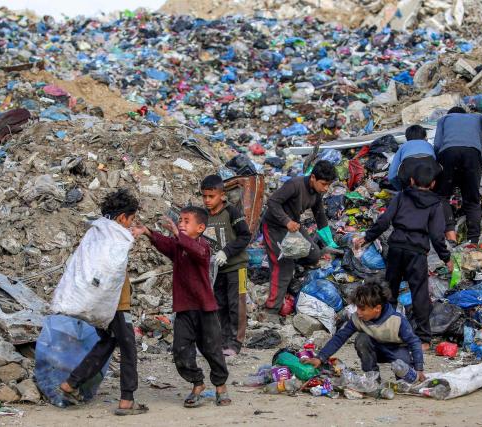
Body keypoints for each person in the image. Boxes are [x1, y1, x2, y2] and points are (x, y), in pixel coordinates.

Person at [59, 189, 148, 416]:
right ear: (121, 218)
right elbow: (111, 266)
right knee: (128, 346)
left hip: (104, 303)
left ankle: (71, 383)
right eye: (131, 220)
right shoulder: (114, 235)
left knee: (107, 343)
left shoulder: (98, 231)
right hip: (116, 304)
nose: (131, 225)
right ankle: (127, 399)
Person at [132, 207, 231, 408]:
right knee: (180, 350)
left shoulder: (204, 247)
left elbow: (195, 251)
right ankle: (197, 383)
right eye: (180, 221)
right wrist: (148, 232)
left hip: (205, 308)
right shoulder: (178, 246)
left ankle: (220, 386)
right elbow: (166, 244)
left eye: (187, 221)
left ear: (200, 228)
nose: (181, 224)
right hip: (185, 308)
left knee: (212, 349)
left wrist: (178, 235)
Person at [354, 165, 452, 349]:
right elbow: (437, 236)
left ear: (412, 181)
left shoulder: (402, 196)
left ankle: (382, 330)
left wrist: (367, 237)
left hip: (396, 248)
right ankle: (423, 339)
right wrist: (446, 258)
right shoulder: (435, 204)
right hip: (417, 252)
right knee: (419, 293)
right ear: (432, 184)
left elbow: (384, 221)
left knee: (390, 290)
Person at [303, 280, 426, 382]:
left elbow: (414, 342)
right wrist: (320, 358)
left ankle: (404, 378)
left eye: (362, 309)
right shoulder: (357, 319)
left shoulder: (397, 320)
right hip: (376, 350)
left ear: (377, 308)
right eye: (357, 308)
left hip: (397, 351)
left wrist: (419, 368)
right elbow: (340, 337)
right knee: (362, 339)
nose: (358, 312)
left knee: (404, 375)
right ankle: (373, 377)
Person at [262, 160, 338, 316]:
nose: (326, 188)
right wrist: (286, 221)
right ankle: (271, 309)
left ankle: (294, 262)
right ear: (313, 178)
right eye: (324, 184)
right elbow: (272, 202)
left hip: (293, 227)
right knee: (283, 267)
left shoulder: (317, 192)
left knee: (314, 254)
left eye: (329, 185)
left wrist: (330, 241)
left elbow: (319, 214)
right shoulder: (294, 185)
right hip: (274, 227)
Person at [201, 174, 252, 356]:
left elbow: (245, 236)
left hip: (236, 267)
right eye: (204, 196)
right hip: (216, 270)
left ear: (222, 195)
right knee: (219, 304)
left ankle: (236, 343)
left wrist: (226, 251)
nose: (207, 200)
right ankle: (222, 341)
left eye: (211, 196)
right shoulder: (203, 216)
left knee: (236, 305)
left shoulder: (231, 212)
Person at [434, 106, 482, 244]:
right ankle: (473, 241)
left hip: (449, 153)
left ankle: (451, 236)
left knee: (442, 196)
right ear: (465, 114)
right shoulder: (475, 117)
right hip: (472, 154)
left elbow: (437, 145)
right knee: (472, 199)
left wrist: (440, 170)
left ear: (450, 114)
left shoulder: (444, 119)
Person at [388, 125, 440, 191]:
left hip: (409, 175)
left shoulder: (403, 146)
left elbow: (391, 176)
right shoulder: (428, 145)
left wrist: (400, 189)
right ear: (424, 137)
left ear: (407, 138)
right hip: (429, 174)